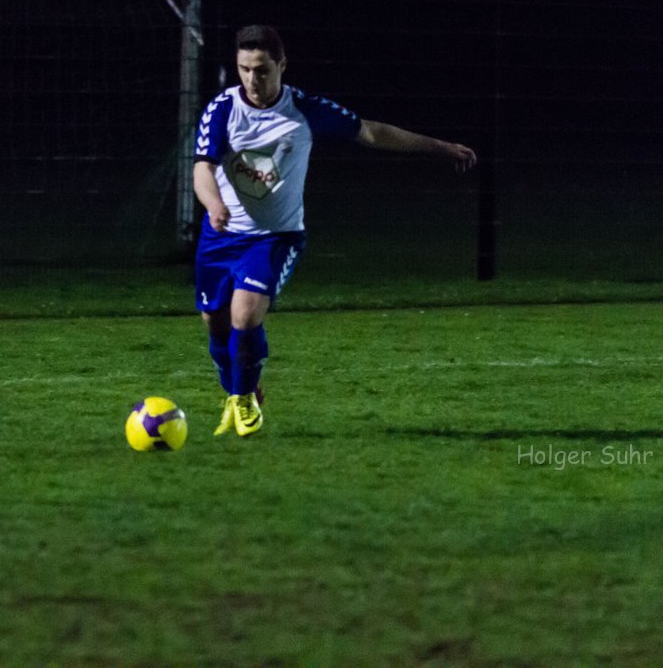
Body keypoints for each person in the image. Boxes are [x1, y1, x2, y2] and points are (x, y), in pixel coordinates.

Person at [193, 25, 476, 437]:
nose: (253, 80)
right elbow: (203, 167)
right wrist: (214, 204)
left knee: (245, 314)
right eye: (245, 69)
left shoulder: (305, 110)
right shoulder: (223, 109)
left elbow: (372, 132)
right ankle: (242, 389)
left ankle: (242, 400)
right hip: (220, 236)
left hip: (275, 236)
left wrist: (441, 147)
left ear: (282, 65)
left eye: (262, 70)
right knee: (214, 322)